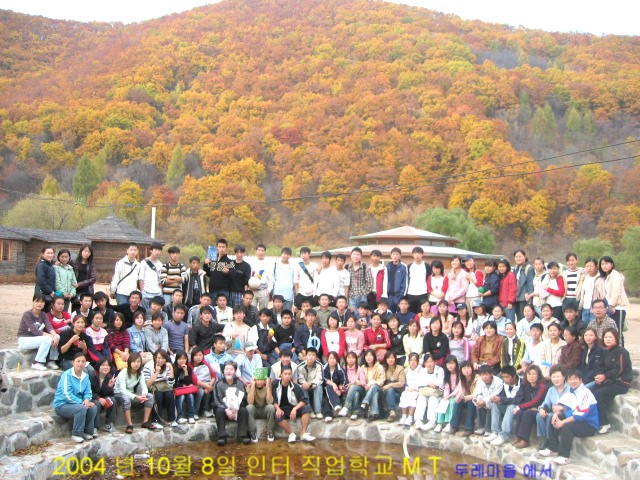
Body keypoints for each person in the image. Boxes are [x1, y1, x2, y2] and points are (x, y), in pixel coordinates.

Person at [538, 369, 599, 465]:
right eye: (570, 379)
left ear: (580, 380)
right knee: (553, 418)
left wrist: (562, 422)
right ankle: (553, 447)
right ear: (567, 380)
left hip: (589, 425)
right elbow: (563, 404)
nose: (572, 381)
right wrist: (556, 414)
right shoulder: (571, 391)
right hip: (577, 421)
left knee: (567, 426)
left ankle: (564, 456)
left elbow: (580, 415)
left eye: (575, 379)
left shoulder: (585, 393)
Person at [591, 328, 632, 434]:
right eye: (605, 337)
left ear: (616, 339)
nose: (608, 339)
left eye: (610, 337)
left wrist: (604, 376)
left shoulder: (621, 351)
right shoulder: (605, 351)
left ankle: (605, 423)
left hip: (621, 383)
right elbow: (600, 366)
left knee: (598, 394)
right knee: (588, 392)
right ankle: (592, 421)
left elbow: (619, 369)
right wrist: (599, 375)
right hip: (608, 381)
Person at [53, 352, 98, 443]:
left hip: (78, 403)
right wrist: (82, 402)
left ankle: (87, 431)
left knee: (93, 407)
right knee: (81, 408)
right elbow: (67, 394)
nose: (80, 363)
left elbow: (88, 391)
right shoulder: (67, 375)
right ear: (73, 362)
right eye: (78, 361)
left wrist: (87, 399)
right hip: (62, 404)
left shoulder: (85, 376)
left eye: (83, 361)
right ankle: (77, 433)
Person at [114, 352, 158, 433]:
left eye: (138, 362)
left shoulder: (140, 373)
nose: (136, 364)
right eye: (134, 362)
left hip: (131, 393)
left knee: (150, 396)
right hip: (119, 393)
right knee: (126, 399)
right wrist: (137, 397)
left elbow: (144, 386)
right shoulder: (124, 372)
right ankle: (129, 425)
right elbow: (123, 390)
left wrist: (144, 395)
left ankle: (145, 422)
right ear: (129, 362)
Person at [272, 365, 316, 443]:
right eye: (285, 374)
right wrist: (278, 409)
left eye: (289, 374)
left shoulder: (295, 387)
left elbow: (303, 400)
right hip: (281, 408)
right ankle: (291, 434)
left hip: (292, 407)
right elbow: (273, 399)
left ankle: (303, 433)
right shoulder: (275, 384)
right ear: (281, 375)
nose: (287, 376)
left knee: (307, 408)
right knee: (277, 416)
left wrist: (295, 409)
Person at [18, 295, 60, 370]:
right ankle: (37, 363)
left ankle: (51, 361)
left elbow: (49, 326)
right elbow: (34, 330)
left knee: (57, 336)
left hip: (36, 339)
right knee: (48, 339)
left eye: (42, 302)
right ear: (33, 302)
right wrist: (50, 336)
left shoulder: (43, 314)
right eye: (37, 301)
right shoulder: (27, 314)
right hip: (24, 339)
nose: (39, 304)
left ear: (44, 304)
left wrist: (54, 335)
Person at [509, 364, 547, 448]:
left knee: (527, 413)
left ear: (538, 375)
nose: (531, 376)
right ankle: (518, 437)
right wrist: (521, 408)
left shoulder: (542, 387)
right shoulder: (526, 385)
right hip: (531, 409)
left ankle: (525, 440)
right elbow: (524, 400)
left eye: (534, 374)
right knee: (520, 413)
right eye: (529, 374)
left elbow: (535, 401)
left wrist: (519, 407)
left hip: (540, 410)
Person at [214, 361, 250, 445]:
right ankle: (222, 437)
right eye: (226, 369)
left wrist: (235, 408)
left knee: (244, 410)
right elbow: (218, 399)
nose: (228, 371)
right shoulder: (218, 384)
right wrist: (227, 409)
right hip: (224, 408)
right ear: (223, 371)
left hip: (236, 408)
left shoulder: (239, 383)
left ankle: (242, 436)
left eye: (231, 369)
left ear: (235, 371)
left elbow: (243, 397)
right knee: (219, 411)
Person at [536, 365, 570, 450]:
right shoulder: (551, 389)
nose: (555, 379)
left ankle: (551, 440)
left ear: (564, 377)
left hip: (566, 414)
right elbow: (546, 402)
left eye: (558, 376)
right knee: (539, 415)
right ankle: (544, 439)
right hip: (553, 413)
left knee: (550, 416)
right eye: (553, 377)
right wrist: (541, 409)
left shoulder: (570, 389)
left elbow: (573, 405)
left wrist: (562, 408)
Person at [487, 365, 522, 446]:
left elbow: (517, 400)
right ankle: (495, 432)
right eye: (503, 377)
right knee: (495, 403)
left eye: (507, 377)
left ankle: (503, 435)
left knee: (511, 406)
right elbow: (501, 396)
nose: (504, 379)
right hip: (507, 407)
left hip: (518, 409)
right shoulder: (504, 384)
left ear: (514, 376)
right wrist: (496, 398)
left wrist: (502, 399)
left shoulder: (522, 384)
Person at [599, 256, 629, 346]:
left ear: (612, 264)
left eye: (606, 263)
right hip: (610, 307)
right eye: (602, 264)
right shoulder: (607, 276)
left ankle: (621, 352)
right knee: (611, 332)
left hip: (618, 308)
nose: (604, 266)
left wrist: (611, 305)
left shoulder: (615, 276)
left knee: (617, 332)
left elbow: (616, 292)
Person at [142, 349, 175, 427]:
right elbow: (147, 384)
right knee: (158, 395)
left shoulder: (167, 366)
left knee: (169, 394)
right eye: (159, 358)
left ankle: (172, 419)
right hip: (152, 385)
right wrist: (156, 372)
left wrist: (171, 368)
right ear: (155, 357)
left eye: (163, 358)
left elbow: (171, 384)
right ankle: (155, 420)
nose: (161, 360)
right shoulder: (148, 366)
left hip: (164, 385)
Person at [472, 364, 504, 437]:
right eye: (482, 375)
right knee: (479, 404)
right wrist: (478, 400)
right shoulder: (480, 381)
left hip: (494, 401)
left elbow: (495, 395)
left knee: (491, 403)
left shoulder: (499, 382)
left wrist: (484, 401)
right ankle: (481, 427)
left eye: (486, 374)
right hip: (483, 400)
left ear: (491, 374)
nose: (484, 377)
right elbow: (476, 393)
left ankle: (488, 429)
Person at [415, 353, 445, 431]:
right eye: (427, 362)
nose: (429, 364)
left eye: (431, 361)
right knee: (421, 398)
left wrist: (431, 384)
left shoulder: (440, 370)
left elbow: (440, 383)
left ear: (435, 362)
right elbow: (419, 382)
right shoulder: (423, 371)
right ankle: (418, 420)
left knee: (432, 399)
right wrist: (428, 383)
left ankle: (432, 421)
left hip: (436, 393)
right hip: (425, 392)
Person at [434, 355, 460, 432]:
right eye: (448, 364)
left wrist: (450, 396)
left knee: (452, 402)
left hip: (458, 394)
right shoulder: (446, 374)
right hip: (449, 394)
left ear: (456, 364)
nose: (450, 365)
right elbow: (446, 387)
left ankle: (449, 423)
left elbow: (459, 388)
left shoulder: (459, 374)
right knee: (443, 401)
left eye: (452, 363)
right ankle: (440, 423)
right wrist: (446, 396)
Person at [451, 361, 478, 436]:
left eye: (468, 368)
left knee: (471, 403)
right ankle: (454, 426)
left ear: (472, 369)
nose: (466, 370)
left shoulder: (477, 379)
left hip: (475, 399)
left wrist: (465, 397)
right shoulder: (462, 380)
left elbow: (476, 394)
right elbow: (459, 391)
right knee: (457, 403)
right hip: (465, 398)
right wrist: (458, 398)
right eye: (464, 368)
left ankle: (469, 428)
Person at [296, 347, 324, 418]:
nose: (311, 357)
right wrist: (305, 384)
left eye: (313, 355)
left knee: (319, 387)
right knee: (302, 387)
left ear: (316, 357)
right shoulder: (300, 366)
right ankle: (310, 411)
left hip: (314, 386)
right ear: (306, 356)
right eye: (309, 355)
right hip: (305, 386)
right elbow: (300, 380)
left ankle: (318, 411)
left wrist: (310, 383)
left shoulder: (319, 365)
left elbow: (319, 379)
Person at [91, 358, 117, 433]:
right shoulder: (92, 375)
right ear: (98, 366)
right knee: (96, 404)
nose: (105, 367)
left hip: (102, 398)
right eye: (103, 365)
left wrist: (109, 386)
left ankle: (108, 424)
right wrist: (98, 398)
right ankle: (94, 427)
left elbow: (108, 394)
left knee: (112, 400)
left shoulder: (109, 377)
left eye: (108, 365)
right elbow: (89, 391)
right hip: (92, 398)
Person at [338, 351, 367, 420]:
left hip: (360, 390)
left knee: (353, 387)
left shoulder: (359, 369)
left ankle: (346, 407)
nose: (351, 359)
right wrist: (340, 386)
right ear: (346, 359)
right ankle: (354, 413)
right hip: (348, 391)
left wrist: (353, 383)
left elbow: (363, 383)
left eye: (353, 358)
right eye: (349, 358)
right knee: (356, 394)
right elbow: (340, 382)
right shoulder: (343, 369)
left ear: (356, 359)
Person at [247, 375, 275, 443]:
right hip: (255, 409)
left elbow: (270, 402)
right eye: (257, 380)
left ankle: (270, 431)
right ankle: (252, 432)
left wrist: (268, 386)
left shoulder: (268, 387)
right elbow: (250, 402)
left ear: (264, 380)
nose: (259, 382)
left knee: (271, 407)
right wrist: (252, 387)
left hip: (264, 409)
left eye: (261, 380)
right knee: (249, 407)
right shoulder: (249, 387)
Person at [360, 348, 385, 421]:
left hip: (379, 389)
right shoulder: (363, 367)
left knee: (374, 387)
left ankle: (365, 401)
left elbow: (381, 381)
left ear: (374, 357)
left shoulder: (379, 367)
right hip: (366, 389)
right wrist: (365, 385)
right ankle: (373, 414)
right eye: (366, 356)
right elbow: (361, 379)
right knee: (374, 393)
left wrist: (371, 384)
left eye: (370, 355)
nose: (368, 357)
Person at [576, 257, 604, 324]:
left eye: (591, 266)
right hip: (585, 307)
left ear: (596, 267)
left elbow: (602, 295)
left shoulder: (600, 278)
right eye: (587, 266)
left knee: (594, 328)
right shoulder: (584, 277)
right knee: (585, 328)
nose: (589, 268)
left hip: (595, 309)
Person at [138, 242, 164, 311]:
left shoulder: (160, 264)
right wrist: (142, 291)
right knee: (145, 312)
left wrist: (161, 291)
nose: (157, 252)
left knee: (156, 313)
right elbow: (141, 278)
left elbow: (160, 279)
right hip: (146, 292)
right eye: (155, 250)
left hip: (157, 292)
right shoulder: (144, 262)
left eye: (159, 250)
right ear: (151, 250)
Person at [398, 353, 423, 426]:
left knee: (413, 397)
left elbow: (423, 382)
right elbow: (404, 382)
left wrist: (416, 389)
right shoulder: (406, 370)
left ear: (418, 361)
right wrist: (408, 388)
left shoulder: (421, 370)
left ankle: (410, 417)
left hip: (417, 389)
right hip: (408, 389)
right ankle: (404, 416)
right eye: (411, 360)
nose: (413, 362)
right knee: (404, 395)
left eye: (415, 360)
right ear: (408, 361)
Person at [191, 347, 216, 418]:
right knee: (201, 391)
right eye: (196, 355)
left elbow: (213, 375)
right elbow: (195, 380)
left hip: (206, 383)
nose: (198, 357)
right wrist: (208, 386)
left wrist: (209, 385)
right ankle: (195, 412)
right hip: (195, 385)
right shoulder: (190, 365)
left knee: (210, 389)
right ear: (192, 356)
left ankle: (206, 410)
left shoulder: (205, 363)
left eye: (200, 355)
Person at [173, 351, 198, 424]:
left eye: (184, 359)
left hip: (185, 389)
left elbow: (188, 382)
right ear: (176, 359)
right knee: (181, 396)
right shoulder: (173, 367)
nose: (182, 361)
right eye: (180, 359)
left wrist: (185, 371)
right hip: (177, 390)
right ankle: (179, 417)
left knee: (190, 395)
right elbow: (173, 383)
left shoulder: (188, 368)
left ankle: (191, 416)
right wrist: (182, 385)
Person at [346, 247, 373, 312]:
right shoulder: (347, 267)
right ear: (351, 255)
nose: (356, 256)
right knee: (354, 314)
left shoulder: (364, 267)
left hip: (362, 297)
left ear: (361, 256)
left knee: (362, 313)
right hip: (352, 297)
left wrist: (364, 293)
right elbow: (346, 283)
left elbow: (370, 282)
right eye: (354, 254)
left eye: (358, 255)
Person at [322, 351, 346, 422]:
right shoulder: (323, 368)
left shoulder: (340, 370)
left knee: (326, 398)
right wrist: (333, 384)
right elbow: (322, 378)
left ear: (337, 360)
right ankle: (336, 405)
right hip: (324, 390)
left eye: (334, 358)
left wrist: (340, 391)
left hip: (336, 393)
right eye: (330, 358)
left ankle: (328, 415)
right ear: (327, 359)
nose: (332, 360)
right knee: (328, 387)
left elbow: (344, 382)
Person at [71, 245, 97, 312]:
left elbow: (93, 278)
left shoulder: (92, 264)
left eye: (89, 252)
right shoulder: (73, 262)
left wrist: (79, 284)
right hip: (75, 290)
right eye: (85, 251)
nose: (86, 253)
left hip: (87, 290)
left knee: (87, 311)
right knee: (75, 310)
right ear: (81, 251)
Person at [382, 351, 405, 421]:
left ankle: (392, 412)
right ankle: (392, 412)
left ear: (395, 359)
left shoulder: (400, 368)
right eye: (388, 358)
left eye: (392, 358)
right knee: (389, 390)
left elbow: (401, 383)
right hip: (385, 392)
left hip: (397, 392)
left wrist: (390, 385)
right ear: (386, 359)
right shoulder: (383, 369)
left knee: (390, 389)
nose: (391, 360)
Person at [406, 247, 431, 314]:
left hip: (423, 293)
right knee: (411, 313)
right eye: (415, 253)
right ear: (412, 255)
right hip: (411, 293)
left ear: (422, 254)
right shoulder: (409, 266)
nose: (417, 255)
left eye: (419, 253)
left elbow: (429, 279)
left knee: (422, 313)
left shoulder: (426, 266)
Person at [249, 244, 273, 311]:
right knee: (251, 310)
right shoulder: (251, 263)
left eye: (262, 250)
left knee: (263, 311)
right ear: (256, 251)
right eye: (259, 250)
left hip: (263, 290)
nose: (260, 252)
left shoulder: (268, 263)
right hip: (252, 290)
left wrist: (269, 290)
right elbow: (249, 275)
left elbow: (271, 278)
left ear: (265, 252)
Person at [513, 250, 534, 322]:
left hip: (524, 297)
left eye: (520, 256)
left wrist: (529, 296)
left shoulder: (529, 268)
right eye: (516, 257)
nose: (518, 258)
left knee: (525, 318)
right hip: (516, 297)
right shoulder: (516, 268)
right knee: (519, 318)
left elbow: (530, 283)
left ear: (525, 257)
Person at [385, 247, 407, 313]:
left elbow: (405, 282)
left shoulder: (403, 267)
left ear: (400, 256)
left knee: (399, 313)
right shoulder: (387, 266)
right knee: (390, 313)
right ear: (391, 255)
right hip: (389, 295)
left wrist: (402, 295)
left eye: (397, 254)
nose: (395, 256)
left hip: (399, 295)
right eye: (393, 254)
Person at [35, 246, 56, 312]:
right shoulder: (41, 265)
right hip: (42, 293)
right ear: (43, 254)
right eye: (48, 253)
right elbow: (41, 281)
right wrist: (50, 291)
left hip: (49, 294)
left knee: (47, 313)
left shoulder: (50, 265)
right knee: (41, 312)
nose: (50, 255)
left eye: (51, 253)